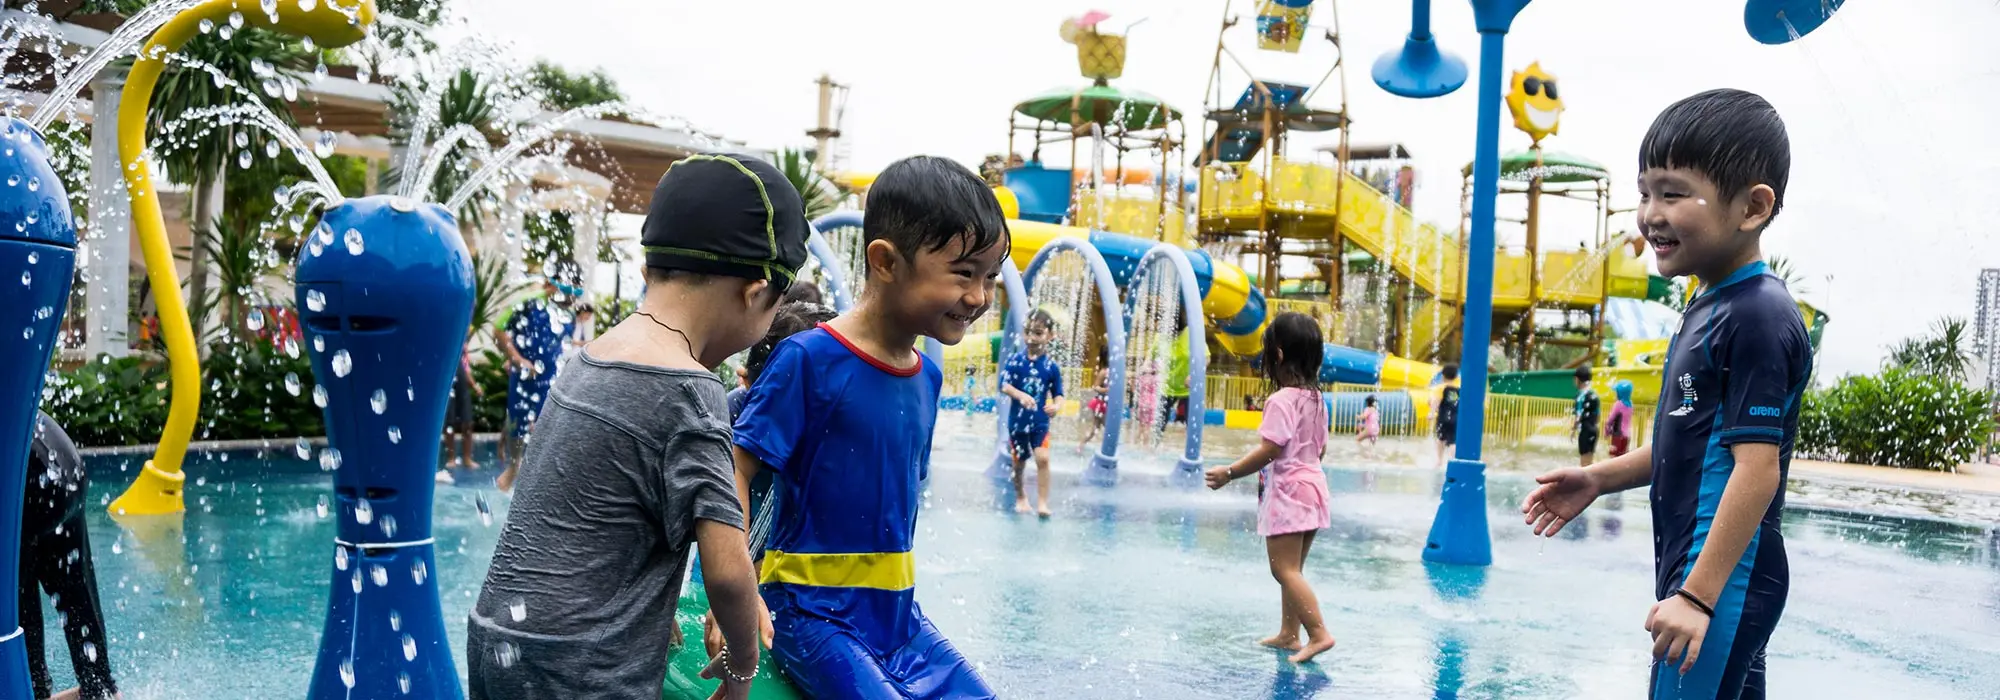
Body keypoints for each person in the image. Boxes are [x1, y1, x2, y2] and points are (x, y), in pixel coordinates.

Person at [466, 152, 812, 700]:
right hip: (582, 667)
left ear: (650, 270)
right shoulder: (691, 390)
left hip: (498, 639)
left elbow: (580, 515)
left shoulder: (588, 360)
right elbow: (727, 573)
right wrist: (742, 665)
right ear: (754, 294)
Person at [1520, 89, 1810, 700]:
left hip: (1723, 580)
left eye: (1673, 194)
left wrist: (1697, 598)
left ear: (1752, 207)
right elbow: (1694, 445)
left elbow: (1757, 470)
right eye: (1645, 192)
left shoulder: (1756, 314)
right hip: (1710, 576)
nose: (1650, 214)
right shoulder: (1710, 303)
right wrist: (1598, 478)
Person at [730, 155, 1007, 699]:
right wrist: (736, 592)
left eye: (991, 276)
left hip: (898, 619)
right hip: (811, 613)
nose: (979, 297)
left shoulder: (927, 377)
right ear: (885, 262)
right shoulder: (810, 360)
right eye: (964, 273)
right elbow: (735, 471)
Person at [1202, 312, 1336, 665]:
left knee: (1283, 570)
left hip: (1289, 492)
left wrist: (1230, 473)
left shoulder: (1281, 400)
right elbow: (1320, 449)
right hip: (1314, 488)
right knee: (1293, 569)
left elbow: (1270, 449)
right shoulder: (1317, 399)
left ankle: (1318, 633)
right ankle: (1289, 633)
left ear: (1277, 354)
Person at [21, 413, 119, 700]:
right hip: (65, 464)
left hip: (27, 481)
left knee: (16, 601)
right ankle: (100, 688)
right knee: (77, 591)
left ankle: (33, 691)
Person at [492, 271, 576, 492]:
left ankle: (538, 472)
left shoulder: (569, 314)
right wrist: (516, 359)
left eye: (574, 294)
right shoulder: (528, 303)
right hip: (524, 376)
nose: (570, 299)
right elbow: (498, 329)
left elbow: (561, 348)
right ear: (550, 285)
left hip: (551, 377)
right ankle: (513, 467)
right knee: (518, 421)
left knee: (549, 422)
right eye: (566, 292)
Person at [1002, 309, 1065, 517]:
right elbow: (1005, 386)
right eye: (1027, 332)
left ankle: (1043, 503)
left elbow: (1059, 394)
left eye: (1038, 333)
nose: (1031, 338)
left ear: (1050, 335)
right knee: (1019, 463)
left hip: (1040, 422)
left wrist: (1056, 406)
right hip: (1017, 423)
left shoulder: (1051, 367)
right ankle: (1021, 497)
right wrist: (1020, 395)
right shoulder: (1015, 361)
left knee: (1043, 458)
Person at [436, 343, 482, 485]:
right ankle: (451, 458)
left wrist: (474, 385)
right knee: (449, 422)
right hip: (446, 376)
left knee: (467, 420)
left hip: (461, 379)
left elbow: (466, 367)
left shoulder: (462, 344)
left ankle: (467, 458)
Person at [1159, 315, 1192, 437]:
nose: (1175, 336)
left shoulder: (1192, 333)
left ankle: (1191, 448)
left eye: (1178, 334)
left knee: (1192, 425)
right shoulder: (1163, 334)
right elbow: (1151, 355)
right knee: (1159, 424)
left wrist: (1192, 374)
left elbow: (1206, 357)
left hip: (1188, 388)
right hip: (1168, 387)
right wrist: (1145, 366)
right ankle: (1155, 445)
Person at [1078, 347, 1110, 454]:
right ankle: (1108, 450)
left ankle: (1081, 445)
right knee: (1108, 428)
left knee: (1095, 429)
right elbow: (1095, 387)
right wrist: (1106, 390)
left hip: (1106, 404)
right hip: (1100, 404)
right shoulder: (1104, 372)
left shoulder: (1113, 372)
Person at [1432, 364, 1461, 467]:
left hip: (1443, 418)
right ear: (1456, 376)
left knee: (1440, 439)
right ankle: (1453, 461)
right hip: (1455, 418)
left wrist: (1432, 412)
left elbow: (1436, 401)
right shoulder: (1459, 389)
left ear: (1443, 376)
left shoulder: (1441, 388)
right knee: (1453, 441)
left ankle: (1439, 461)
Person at [1573, 365, 1601, 467]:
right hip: (1594, 430)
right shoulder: (1594, 395)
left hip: (1585, 431)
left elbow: (1578, 416)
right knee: (1590, 462)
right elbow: (1598, 416)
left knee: (1584, 464)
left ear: (1577, 379)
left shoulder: (1580, 396)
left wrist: (1573, 429)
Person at [1606, 379, 1636, 458]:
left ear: (1620, 393)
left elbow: (1610, 419)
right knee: (1623, 457)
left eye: (1616, 392)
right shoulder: (1630, 404)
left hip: (1618, 435)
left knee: (1613, 458)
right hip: (1627, 436)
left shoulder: (1618, 404)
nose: (1615, 394)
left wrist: (1607, 431)